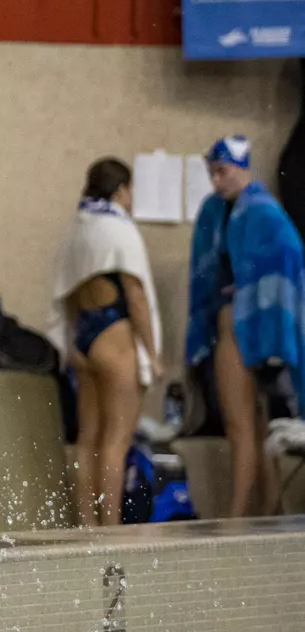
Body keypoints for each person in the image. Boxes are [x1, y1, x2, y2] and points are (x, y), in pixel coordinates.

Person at [187, 135, 305, 518]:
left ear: (243, 169)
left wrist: (254, 303)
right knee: (257, 430)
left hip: (242, 332)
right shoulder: (218, 212)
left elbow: (290, 257)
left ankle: (236, 520)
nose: (216, 181)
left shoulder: (262, 211)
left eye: (223, 172)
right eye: (212, 173)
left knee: (241, 429)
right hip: (239, 329)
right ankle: (272, 511)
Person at [49, 158, 162, 527]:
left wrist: (69, 343)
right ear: (122, 190)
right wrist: (153, 353)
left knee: (88, 438)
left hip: (84, 336)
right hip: (116, 336)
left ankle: (87, 524)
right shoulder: (119, 231)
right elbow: (136, 295)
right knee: (117, 439)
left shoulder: (76, 230)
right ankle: (112, 528)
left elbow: (63, 294)